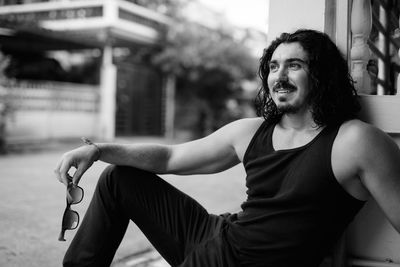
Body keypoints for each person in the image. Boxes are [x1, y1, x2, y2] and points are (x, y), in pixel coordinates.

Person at [54, 29, 400, 267]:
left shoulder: (355, 141)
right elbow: (170, 156)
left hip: (239, 261)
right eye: (274, 66)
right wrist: (98, 150)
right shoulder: (251, 132)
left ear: (322, 75)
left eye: (294, 65)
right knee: (119, 179)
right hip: (213, 236)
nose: (279, 76)